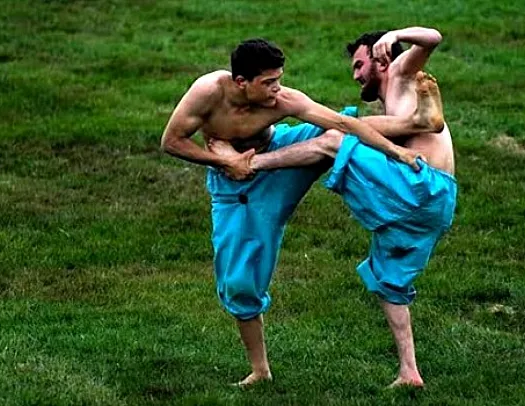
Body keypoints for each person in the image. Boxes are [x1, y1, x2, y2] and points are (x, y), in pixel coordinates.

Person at [160, 38, 443, 386]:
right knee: (239, 281)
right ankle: (260, 371)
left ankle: (417, 123)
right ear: (241, 82)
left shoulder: (283, 100)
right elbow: (171, 141)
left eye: (279, 79)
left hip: (279, 154)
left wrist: (396, 152)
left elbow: (344, 125)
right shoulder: (207, 92)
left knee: (334, 130)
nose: (277, 88)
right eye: (268, 82)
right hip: (234, 186)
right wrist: (223, 162)